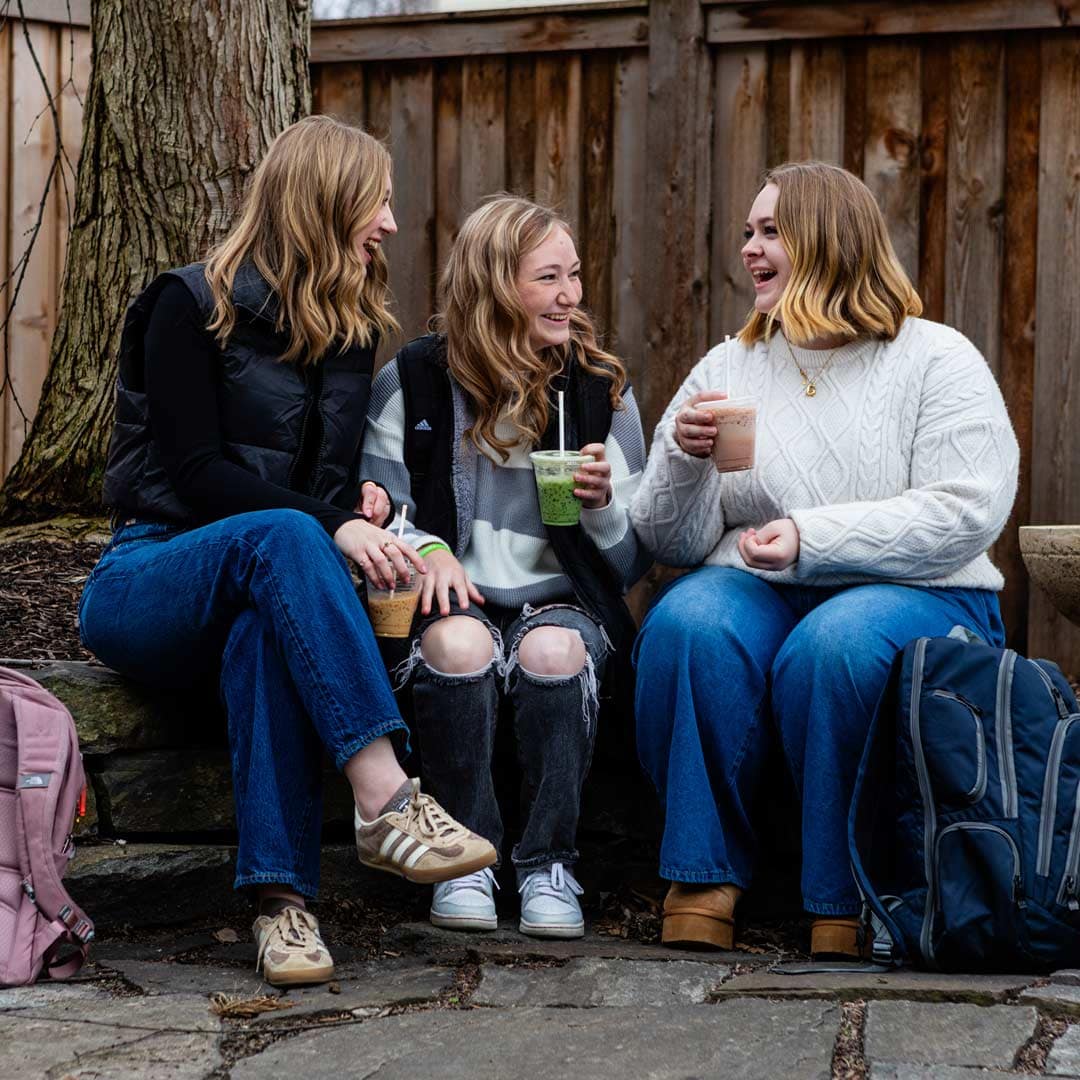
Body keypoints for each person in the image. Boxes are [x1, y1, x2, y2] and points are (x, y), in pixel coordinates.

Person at [78, 116, 495, 987]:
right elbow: (196, 474)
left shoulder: (347, 332)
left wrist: (355, 505)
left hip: (266, 582)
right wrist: (329, 521)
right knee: (287, 534)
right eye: (377, 200)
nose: (388, 222)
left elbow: (312, 486)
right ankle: (385, 793)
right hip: (152, 574)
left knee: (270, 626)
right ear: (327, 202)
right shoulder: (186, 305)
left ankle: (282, 911)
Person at [629, 162, 1019, 957]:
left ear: (829, 242)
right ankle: (702, 877)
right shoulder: (732, 364)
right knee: (689, 619)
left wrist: (814, 539)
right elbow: (668, 543)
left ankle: (844, 894)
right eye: (748, 232)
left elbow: (967, 510)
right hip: (763, 590)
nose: (751, 248)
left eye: (771, 231)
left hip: (926, 593)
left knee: (833, 643)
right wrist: (680, 457)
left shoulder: (934, 360)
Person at [361, 195, 650, 938]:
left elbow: (623, 566)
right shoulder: (417, 381)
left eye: (574, 276)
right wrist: (423, 547)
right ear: (494, 284)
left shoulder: (598, 390)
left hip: (561, 602)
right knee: (459, 645)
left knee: (553, 651)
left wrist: (601, 506)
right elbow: (376, 509)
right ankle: (466, 861)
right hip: (449, 606)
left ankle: (549, 861)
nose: (571, 296)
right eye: (548, 278)